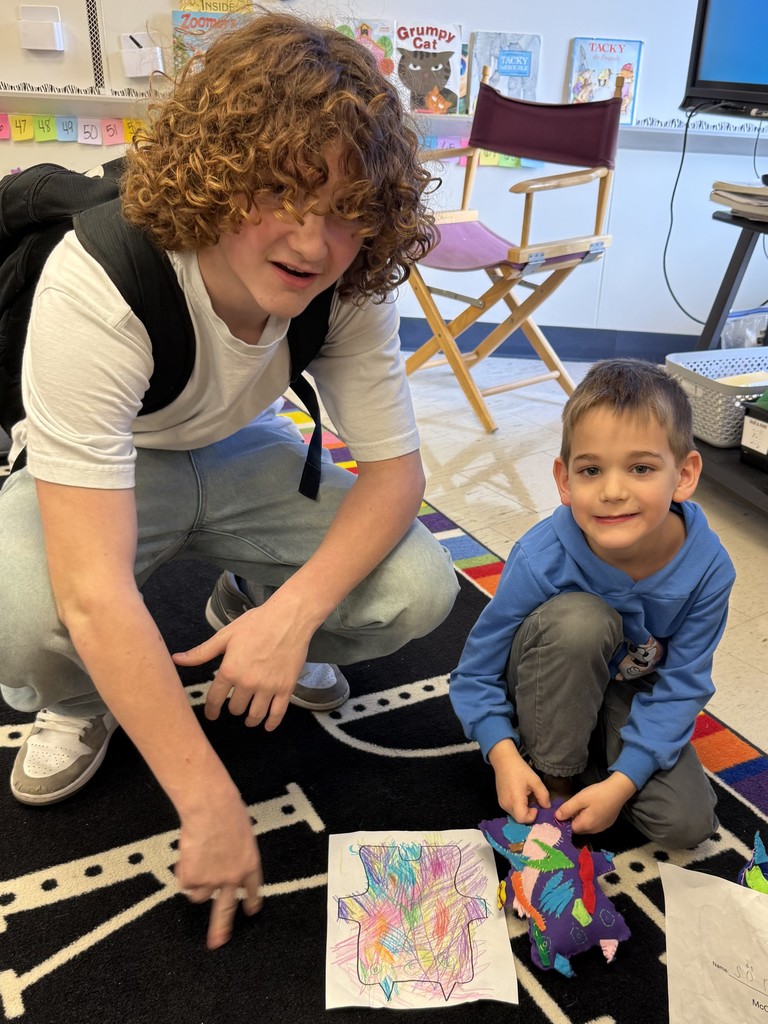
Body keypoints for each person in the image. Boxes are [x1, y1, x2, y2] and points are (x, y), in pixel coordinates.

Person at [0, 12, 459, 949]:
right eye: (284, 192)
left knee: (419, 590)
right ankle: (78, 704)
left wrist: (288, 617)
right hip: (112, 459)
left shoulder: (356, 279)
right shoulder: (100, 279)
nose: (312, 240)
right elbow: (93, 590)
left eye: (345, 210)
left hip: (243, 447)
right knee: (25, 607)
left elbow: (397, 476)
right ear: (217, 174)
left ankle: (238, 605)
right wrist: (209, 804)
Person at [450, 358, 735, 849]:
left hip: (624, 694)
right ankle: (555, 775)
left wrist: (622, 782)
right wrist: (503, 755)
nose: (612, 491)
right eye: (591, 470)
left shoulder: (710, 568)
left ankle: (593, 765)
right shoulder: (543, 556)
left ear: (684, 475)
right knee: (581, 620)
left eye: (641, 468)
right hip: (547, 673)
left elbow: (682, 687)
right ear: (565, 481)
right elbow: (474, 674)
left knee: (687, 825)